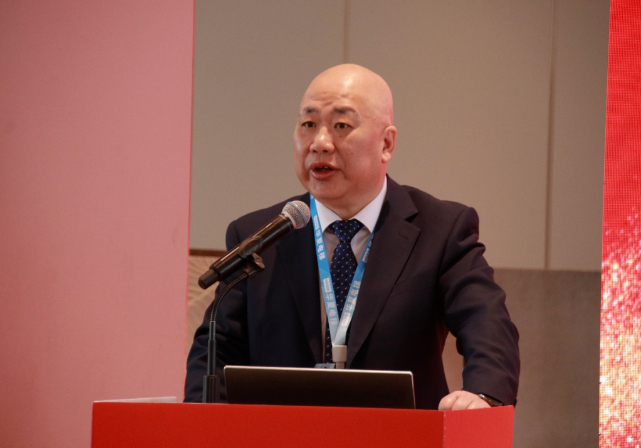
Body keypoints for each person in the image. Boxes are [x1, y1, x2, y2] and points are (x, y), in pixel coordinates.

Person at [185, 64, 520, 410]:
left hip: (400, 433)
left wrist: (482, 396)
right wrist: (200, 422)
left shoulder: (441, 229)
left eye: (341, 126)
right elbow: (217, 347)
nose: (320, 143)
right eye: (308, 124)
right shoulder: (259, 236)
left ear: (386, 143)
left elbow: (487, 323)